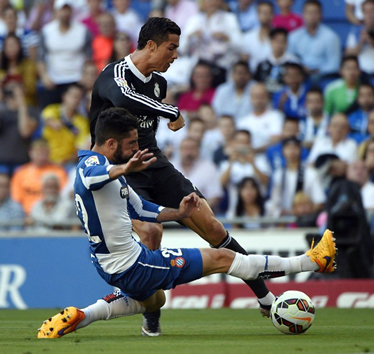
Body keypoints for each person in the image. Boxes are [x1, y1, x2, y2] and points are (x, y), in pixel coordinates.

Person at [37, 107, 337, 339]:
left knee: (154, 301)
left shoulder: (113, 173)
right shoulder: (94, 164)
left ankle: (81, 316)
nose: (134, 149)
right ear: (111, 143)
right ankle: (312, 261)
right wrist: (124, 167)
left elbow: (144, 210)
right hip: (132, 263)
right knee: (223, 258)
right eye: (129, 144)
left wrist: (179, 212)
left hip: (111, 264)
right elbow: (90, 178)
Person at [89, 17, 277, 335]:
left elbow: (146, 128)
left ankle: (267, 299)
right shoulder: (115, 75)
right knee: (151, 233)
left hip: (156, 165)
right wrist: (172, 111)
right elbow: (124, 99)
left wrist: (165, 110)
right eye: (171, 47)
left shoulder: (159, 84)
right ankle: (152, 312)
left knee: (213, 227)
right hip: (121, 171)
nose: (175, 55)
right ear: (151, 45)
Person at [37, 0, 92, 108]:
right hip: (53, 80)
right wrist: (44, 76)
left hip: (77, 79)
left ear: (72, 11)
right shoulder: (47, 31)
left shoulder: (82, 30)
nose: (65, 13)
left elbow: (88, 56)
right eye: (62, 10)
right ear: (56, 11)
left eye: (68, 10)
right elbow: (41, 57)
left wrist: (85, 75)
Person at [267, 137, 325, 217]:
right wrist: (281, 213)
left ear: (300, 150)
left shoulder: (311, 173)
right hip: (284, 219)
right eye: (288, 148)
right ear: (283, 151)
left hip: (305, 217)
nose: (291, 151)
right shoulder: (278, 174)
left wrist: (304, 210)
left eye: (295, 148)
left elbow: (319, 202)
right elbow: (274, 201)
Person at [180, 0, 242, 72]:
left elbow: (240, 47)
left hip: (222, 65)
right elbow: (182, 49)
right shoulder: (195, 20)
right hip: (198, 65)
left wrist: (226, 38)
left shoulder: (229, 18)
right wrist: (191, 36)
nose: (212, 2)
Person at [10, 139, 68, 215]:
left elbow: (64, 194)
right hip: (26, 214)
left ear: (49, 153)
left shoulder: (59, 171)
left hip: (54, 213)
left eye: (44, 152)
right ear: (30, 152)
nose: (41, 155)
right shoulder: (21, 172)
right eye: (38, 151)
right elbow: (16, 198)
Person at [288, 0, 341, 80]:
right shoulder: (294, 36)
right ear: (303, 15)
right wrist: (301, 68)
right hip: (299, 75)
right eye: (309, 13)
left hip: (321, 75)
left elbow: (334, 64)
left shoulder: (331, 37)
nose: (312, 16)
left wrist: (317, 70)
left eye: (315, 12)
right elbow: (289, 58)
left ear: (321, 15)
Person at [41, 83, 90, 165]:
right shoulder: (52, 110)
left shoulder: (82, 121)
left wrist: (68, 161)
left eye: (79, 97)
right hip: (47, 160)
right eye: (73, 96)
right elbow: (53, 123)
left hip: (68, 163)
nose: (76, 100)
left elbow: (80, 146)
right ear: (64, 96)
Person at [171, 137, 223, 211]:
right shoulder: (171, 166)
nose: (188, 153)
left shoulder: (209, 168)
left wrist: (198, 211)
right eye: (185, 148)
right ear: (179, 150)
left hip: (201, 214)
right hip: (172, 214)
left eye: (191, 148)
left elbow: (215, 196)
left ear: (198, 150)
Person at [0, 78, 38, 175]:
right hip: (1, 162)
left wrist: (22, 103)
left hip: (22, 162)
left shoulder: (31, 112)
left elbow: (25, 131)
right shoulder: (2, 112)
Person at [237, 83, 284, 153]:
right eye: (256, 96)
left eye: (262, 96)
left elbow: (276, 140)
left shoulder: (276, 116)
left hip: (268, 158)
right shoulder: (242, 121)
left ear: (267, 97)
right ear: (250, 98)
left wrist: (254, 150)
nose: (259, 99)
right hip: (246, 159)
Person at [254, 28, 299, 94]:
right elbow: (257, 82)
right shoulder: (262, 62)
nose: (279, 45)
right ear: (271, 42)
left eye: (282, 41)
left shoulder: (293, 63)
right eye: (276, 41)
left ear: (286, 43)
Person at [241, 1, 274, 71]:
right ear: (257, 15)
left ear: (273, 15)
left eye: (268, 12)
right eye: (262, 12)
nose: (265, 15)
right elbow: (244, 61)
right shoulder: (247, 37)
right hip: (252, 76)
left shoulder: (278, 38)